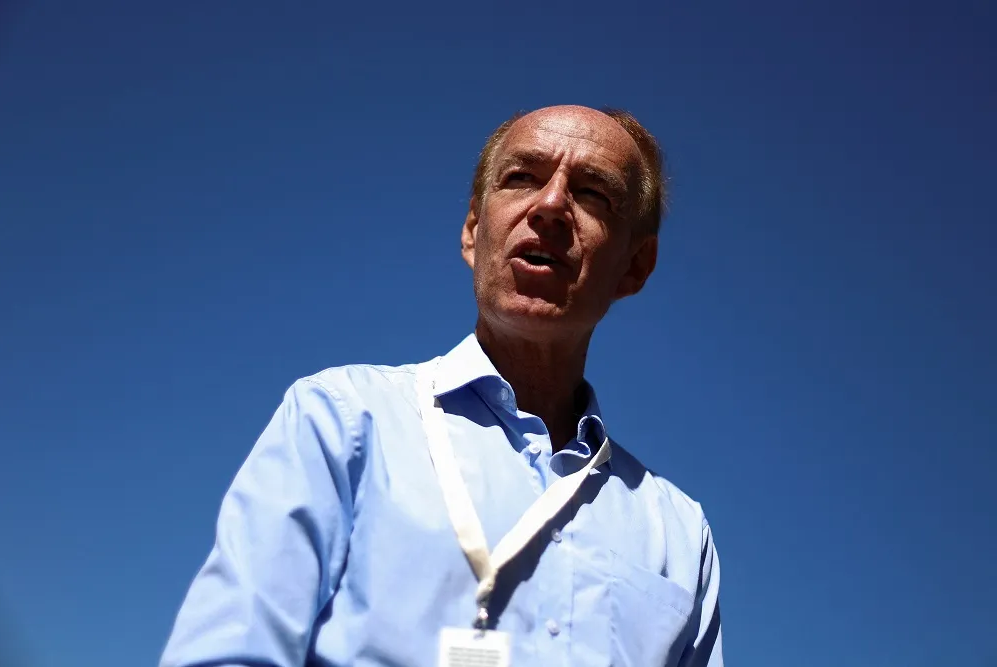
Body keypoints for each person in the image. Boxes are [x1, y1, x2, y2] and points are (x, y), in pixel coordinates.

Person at [160, 104, 723, 667]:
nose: (551, 205)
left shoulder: (679, 534)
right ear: (474, 231)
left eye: (593, 193)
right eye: (521, 178)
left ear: (635, 265)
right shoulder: (343, 419)